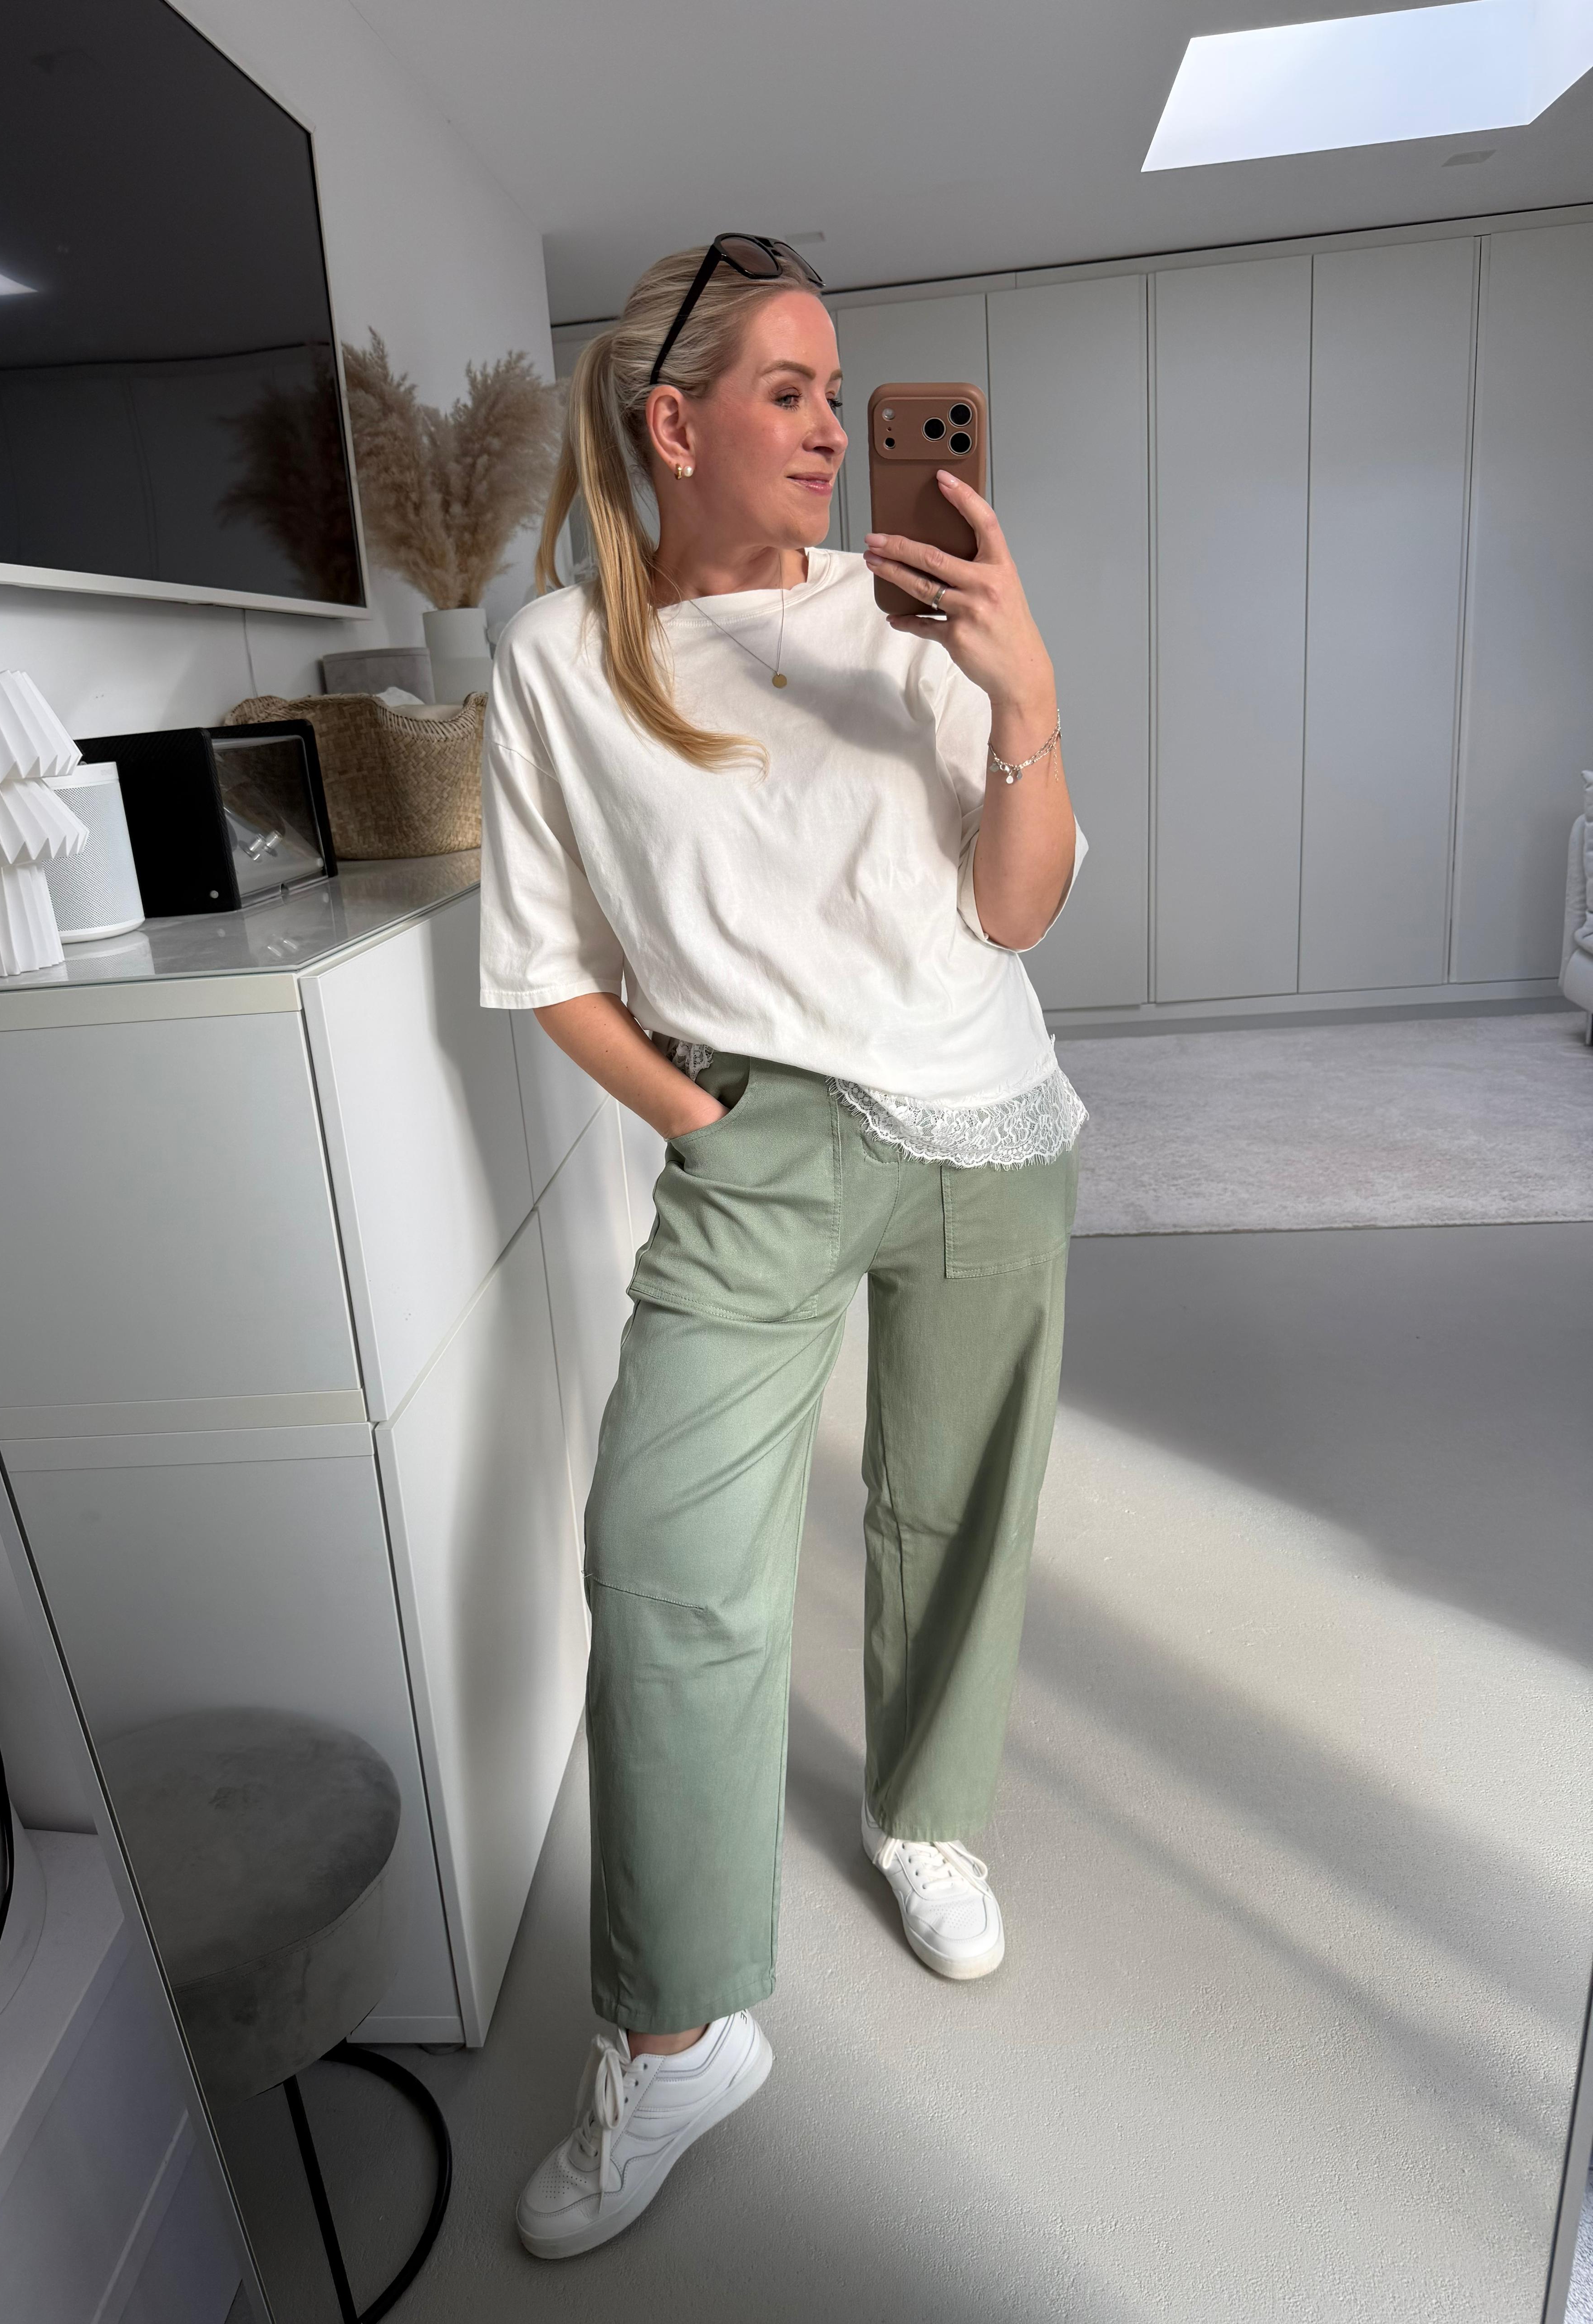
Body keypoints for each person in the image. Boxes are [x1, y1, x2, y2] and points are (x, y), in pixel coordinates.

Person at [478, 235, 1086, 2260]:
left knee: (955, 1505)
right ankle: (676, 2035)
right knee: (662, 1554)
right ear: (675, 423)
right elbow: (552, 966)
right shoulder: (563, 660)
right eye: (793, 391)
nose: (837, 429)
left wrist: (1024, 696)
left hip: (985, 1120)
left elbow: (1014, 909)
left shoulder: (907, 604)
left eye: (845, 395)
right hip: (751, 1137)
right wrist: (705, 1126)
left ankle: (927, 1817)